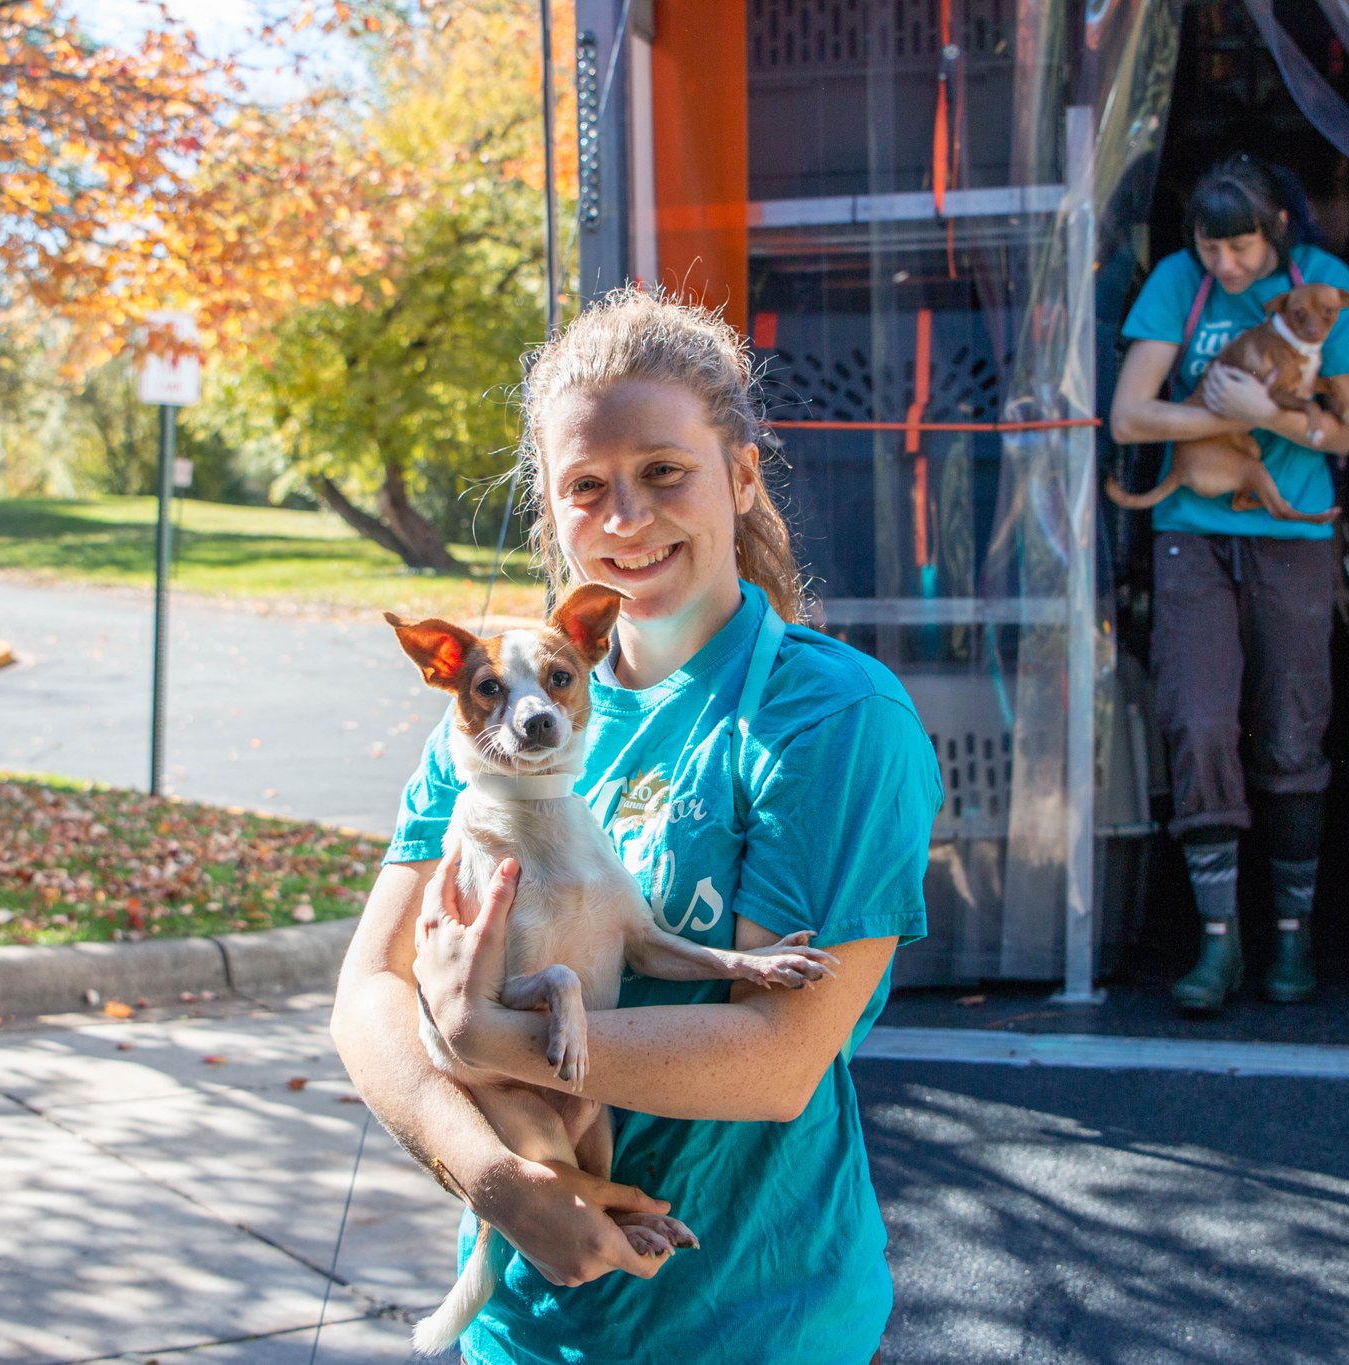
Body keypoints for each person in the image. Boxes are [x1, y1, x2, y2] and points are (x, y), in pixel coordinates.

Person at [330, 288, 943, 1364]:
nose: (624, 519)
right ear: (551, 508)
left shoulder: (828, 718)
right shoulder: (490, 723)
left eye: (663, 472)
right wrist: (494, 1179)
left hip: (750, 1324)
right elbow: (368, 991)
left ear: (739, 477)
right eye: (586, 486)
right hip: (526, 1329)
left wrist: (488, 1039)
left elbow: (776, 1059)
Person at [1108, 154, 1349, 1011]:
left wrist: (1266, 415)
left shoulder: (1325, 285)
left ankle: (1294, 936)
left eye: (1241, 248)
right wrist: (1216, 413)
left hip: (1292, 538)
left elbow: (1345, 433)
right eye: (1210, 246)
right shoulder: (1177, 282)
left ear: (1278, 233)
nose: (1224, 264)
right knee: (1197, 722)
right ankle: (1217, 940)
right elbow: (1128, 414)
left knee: (1293, 728)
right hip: (1193, 533)